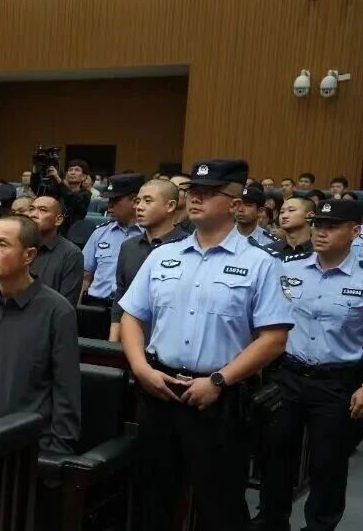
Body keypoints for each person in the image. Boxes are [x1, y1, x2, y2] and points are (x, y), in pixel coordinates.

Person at [118, 159, 292, 530]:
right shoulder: (163, 256)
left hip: (219, 397)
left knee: (220, 505)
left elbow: (274, 339)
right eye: (193, 191)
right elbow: (132, 316)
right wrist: (141, 368)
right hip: (159, 389)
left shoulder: (260, 263)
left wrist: (218, 381)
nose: (196, 199)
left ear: (235, 204)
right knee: (152, 499)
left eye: (209, 193)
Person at [249, 199, 363, 531]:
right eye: (318, 225)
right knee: (275, 454)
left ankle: (320, 526)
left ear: (355, 231)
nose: (321, 233)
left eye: (332, 227)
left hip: (337, 382)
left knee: (328, 463)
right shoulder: (288, 268)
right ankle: (272, 520)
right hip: (288, 374)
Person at [0, 215, 80, 453]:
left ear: (29, 255)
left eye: (3, 244)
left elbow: (66, 389)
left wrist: (56, 452)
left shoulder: (57, 311)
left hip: (31, 449)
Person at [109, 179, 187, 342]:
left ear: (170, 206)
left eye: (148, 201)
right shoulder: (129, 246)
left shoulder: (187, 248)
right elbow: (120, 296)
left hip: (171, 342)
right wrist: (113, 341)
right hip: (129, 340)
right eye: (138, 201)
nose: (139, 207)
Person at [81, 173, 144, 306]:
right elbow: (85, 276)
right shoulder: (100, 233)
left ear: (135, 201)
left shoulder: (150, 235)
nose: (109, 206)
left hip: (131, 308)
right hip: (96, 304)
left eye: (115, 200)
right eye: (109, 200)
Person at [26, 193, 83, 306]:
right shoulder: (19, 246)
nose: (33, 215)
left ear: (58, 220)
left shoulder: (71, 254)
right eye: (31, 209)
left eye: (42, 210)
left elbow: (67, 305)